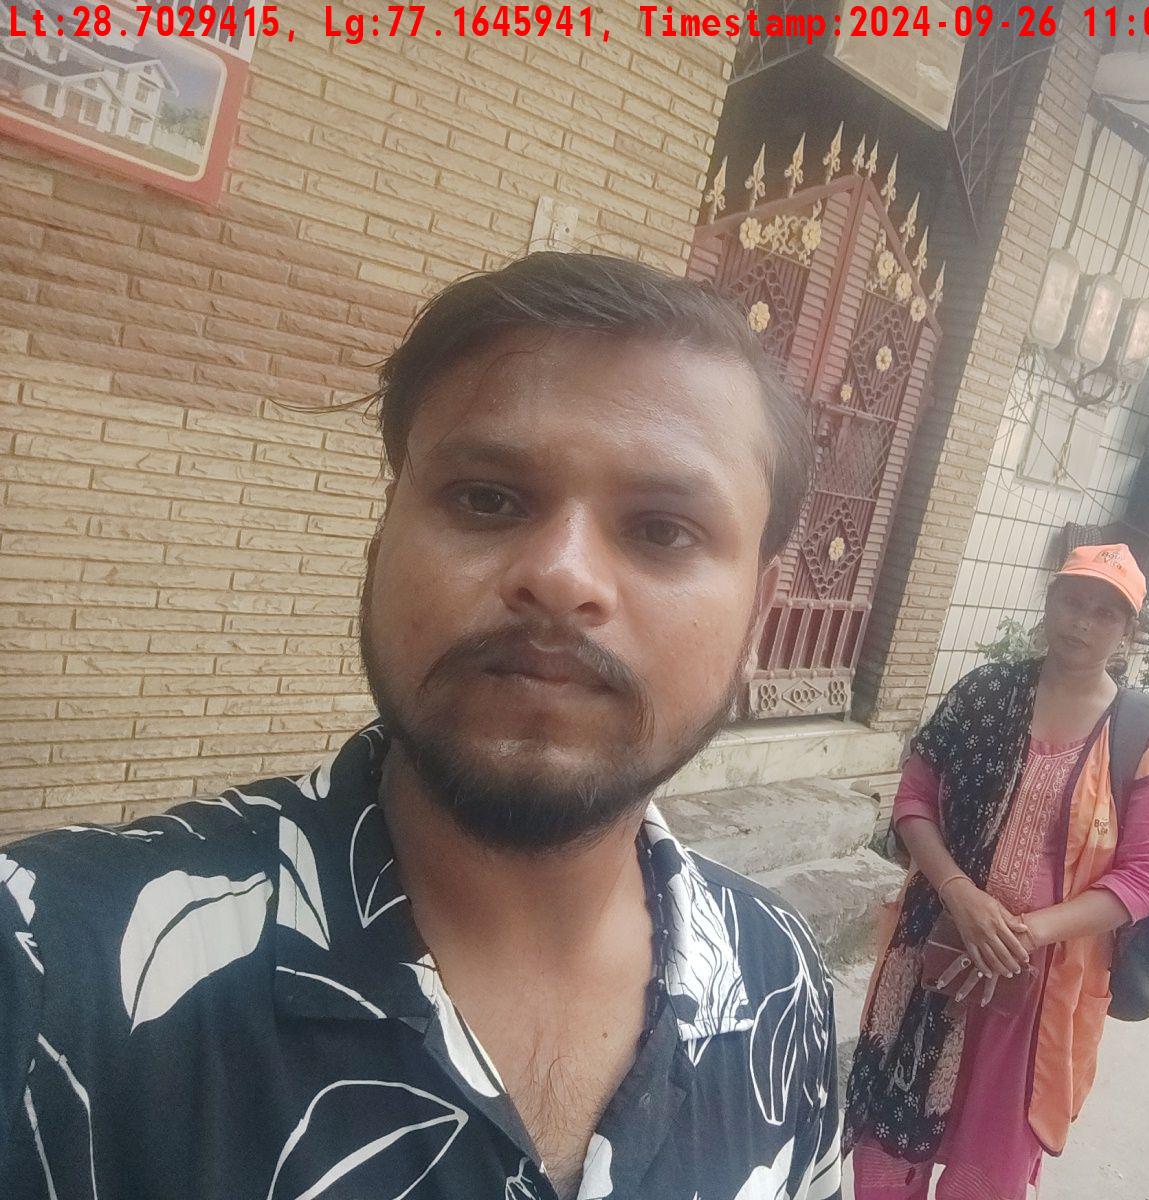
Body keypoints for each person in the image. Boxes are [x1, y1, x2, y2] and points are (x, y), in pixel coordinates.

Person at [0, 253, 842, 1200]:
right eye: (487, 499)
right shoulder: (41, 970)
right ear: (381, 543)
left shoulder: (782, 979)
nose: (562, 575)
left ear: (759, 614)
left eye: (662, 530)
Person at [844, 544, 1149, 1199]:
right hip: (933, 952)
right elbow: (914, 800)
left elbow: (1143, 880)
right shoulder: (985, 694)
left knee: (988, 1164)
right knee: (888, 1153)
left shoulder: (1146, 741)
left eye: (1105, 613)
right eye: (1073, 601)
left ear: (1128, 631)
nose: (1082, 622)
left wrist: (1023, 934)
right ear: (1049, 601)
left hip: (1038, 987)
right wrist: (961, 896)